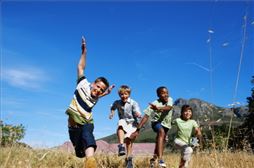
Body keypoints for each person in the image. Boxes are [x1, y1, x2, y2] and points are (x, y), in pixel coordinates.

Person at [65, 36, 115, 168]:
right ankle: (83, 154)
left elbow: (99, 96)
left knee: (88, 134)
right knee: (79, 152)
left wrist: (107, 93)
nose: (99, 90)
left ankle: (91, 162)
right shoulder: (83, 84)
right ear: (93, 84)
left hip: (87, 122)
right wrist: (84, 52)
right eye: (98, 86)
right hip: (73, 125)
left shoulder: (96, 97)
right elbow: (81, 67)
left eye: (102, 89)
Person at [131, 86, 173, 168]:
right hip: (156, 123)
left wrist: (158, 108)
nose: (166, 95)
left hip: (167, 125)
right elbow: (145, 117)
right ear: (158, 95)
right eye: (163, 93)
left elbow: (169, 107)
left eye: (167, 93)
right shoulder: (154, 103)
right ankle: (161, 160)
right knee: (161, 131)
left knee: (159, 144)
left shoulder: (170, 99)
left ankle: (153, 160)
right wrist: (137, 130)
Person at [109, 85, 142, 168]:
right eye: (122, 94)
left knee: (128, 141)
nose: (124, 96)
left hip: (132, 123)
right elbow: (113, 107)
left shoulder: (133, 103)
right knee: (120, 124)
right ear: (119, 95)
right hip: (124, 121)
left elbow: (137, 110)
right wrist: (112, 113)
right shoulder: (117, 102)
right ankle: (121, 146)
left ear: (129, 94)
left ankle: (129, 159)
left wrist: (138, 114)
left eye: (126, 94)